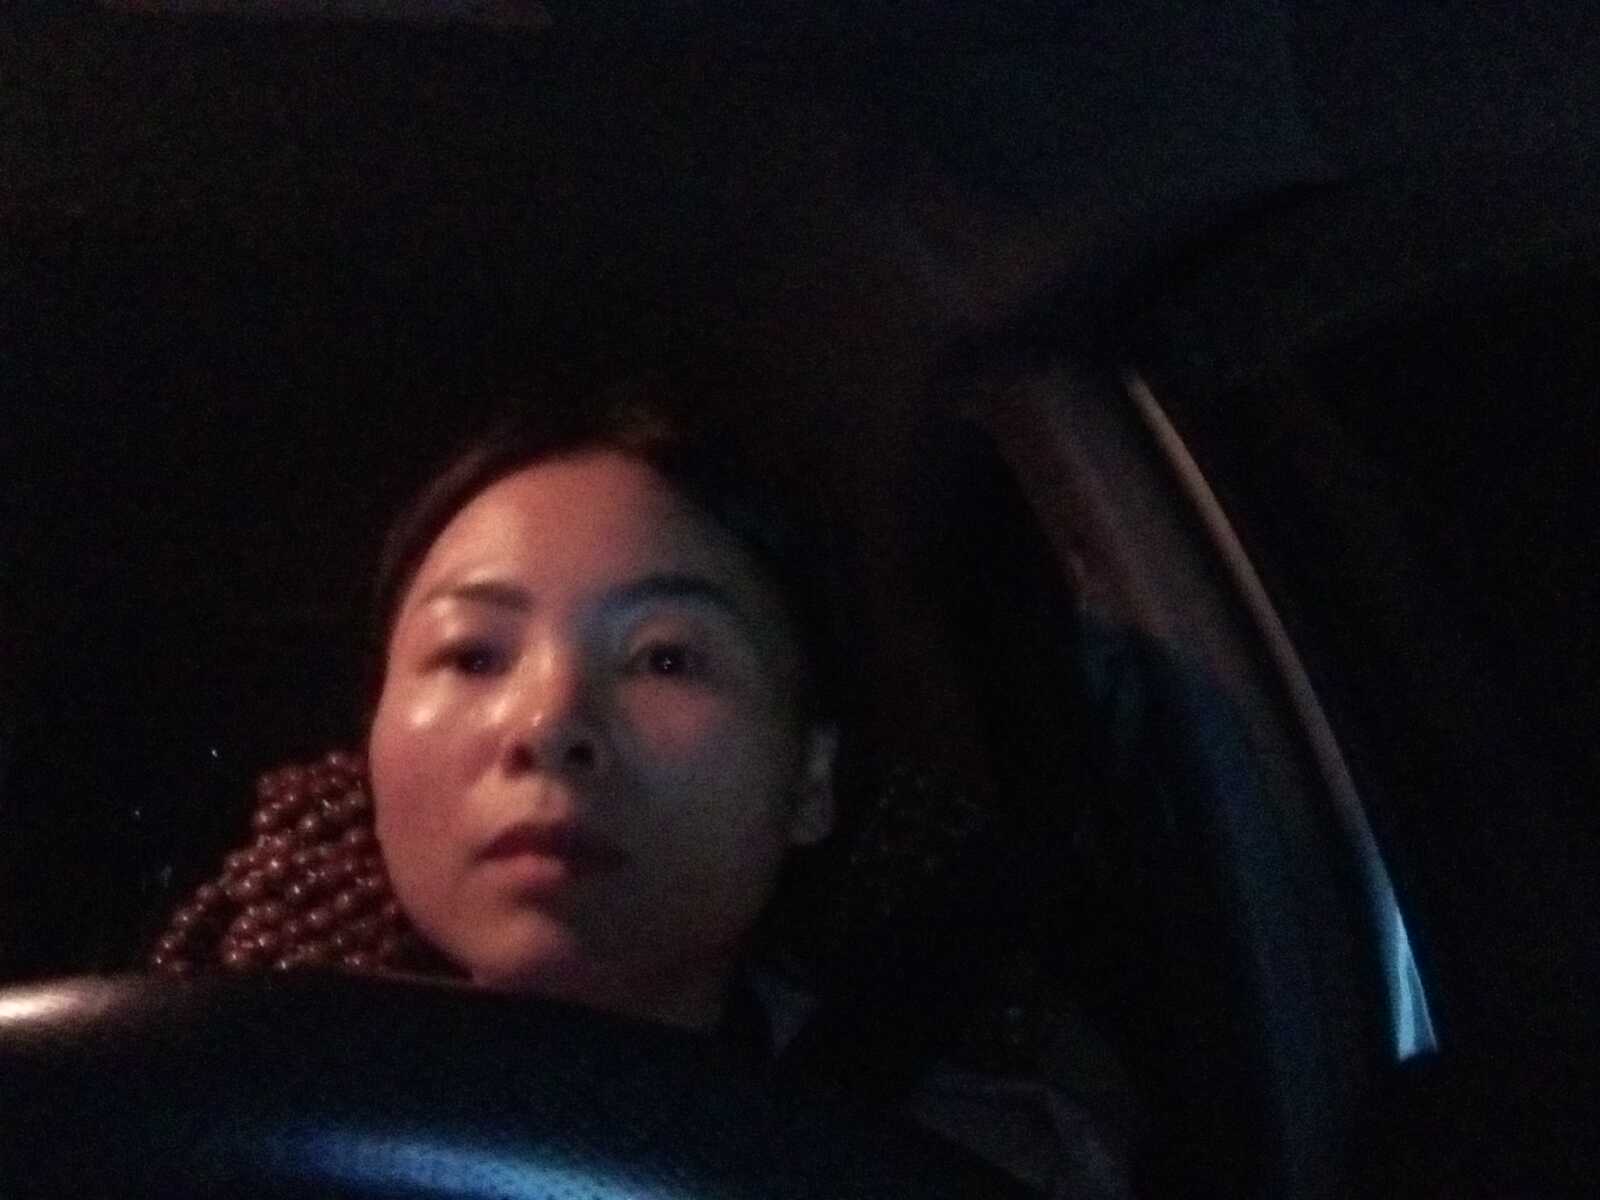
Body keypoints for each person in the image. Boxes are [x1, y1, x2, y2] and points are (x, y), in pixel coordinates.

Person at [149, 378, 1137, 1197]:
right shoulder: (185, 1120)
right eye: (473, 654)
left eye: (665, 659)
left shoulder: (976, 1167)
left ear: (810, 778)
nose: (549, 725)